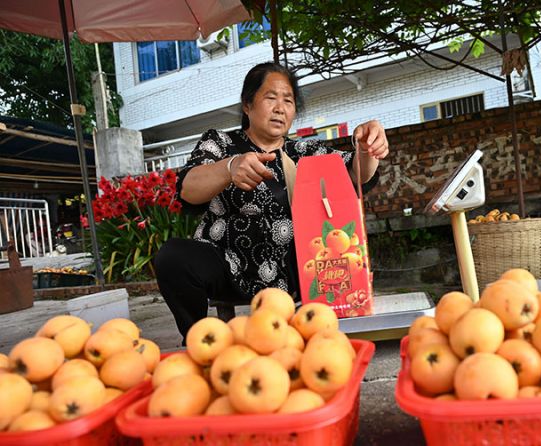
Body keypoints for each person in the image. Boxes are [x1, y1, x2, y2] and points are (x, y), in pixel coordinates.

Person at [154, 62, 389, 341]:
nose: (280, 107)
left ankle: (311, 324)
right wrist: (228, 168)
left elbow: (355, 174)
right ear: (247, 105)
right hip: (228, 265)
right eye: (270, 97)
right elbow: (188, 189)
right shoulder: (219, 143)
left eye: (288, 100)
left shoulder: (304, 151)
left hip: (292, 274)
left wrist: (368, 147)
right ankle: (198, 339)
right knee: (173, 257)